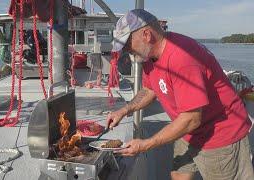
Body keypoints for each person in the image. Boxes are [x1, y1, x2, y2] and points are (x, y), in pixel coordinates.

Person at [107, 9, 254, 180]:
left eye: (127, 44)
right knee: (179, 174)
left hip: (220, 136)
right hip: (189, 132)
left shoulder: (181, 58)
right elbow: (149, 90)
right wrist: (123, 111)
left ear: (147, 35)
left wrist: (145, 144)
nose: (126, 51)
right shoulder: (149, 56)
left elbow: (192, 118)